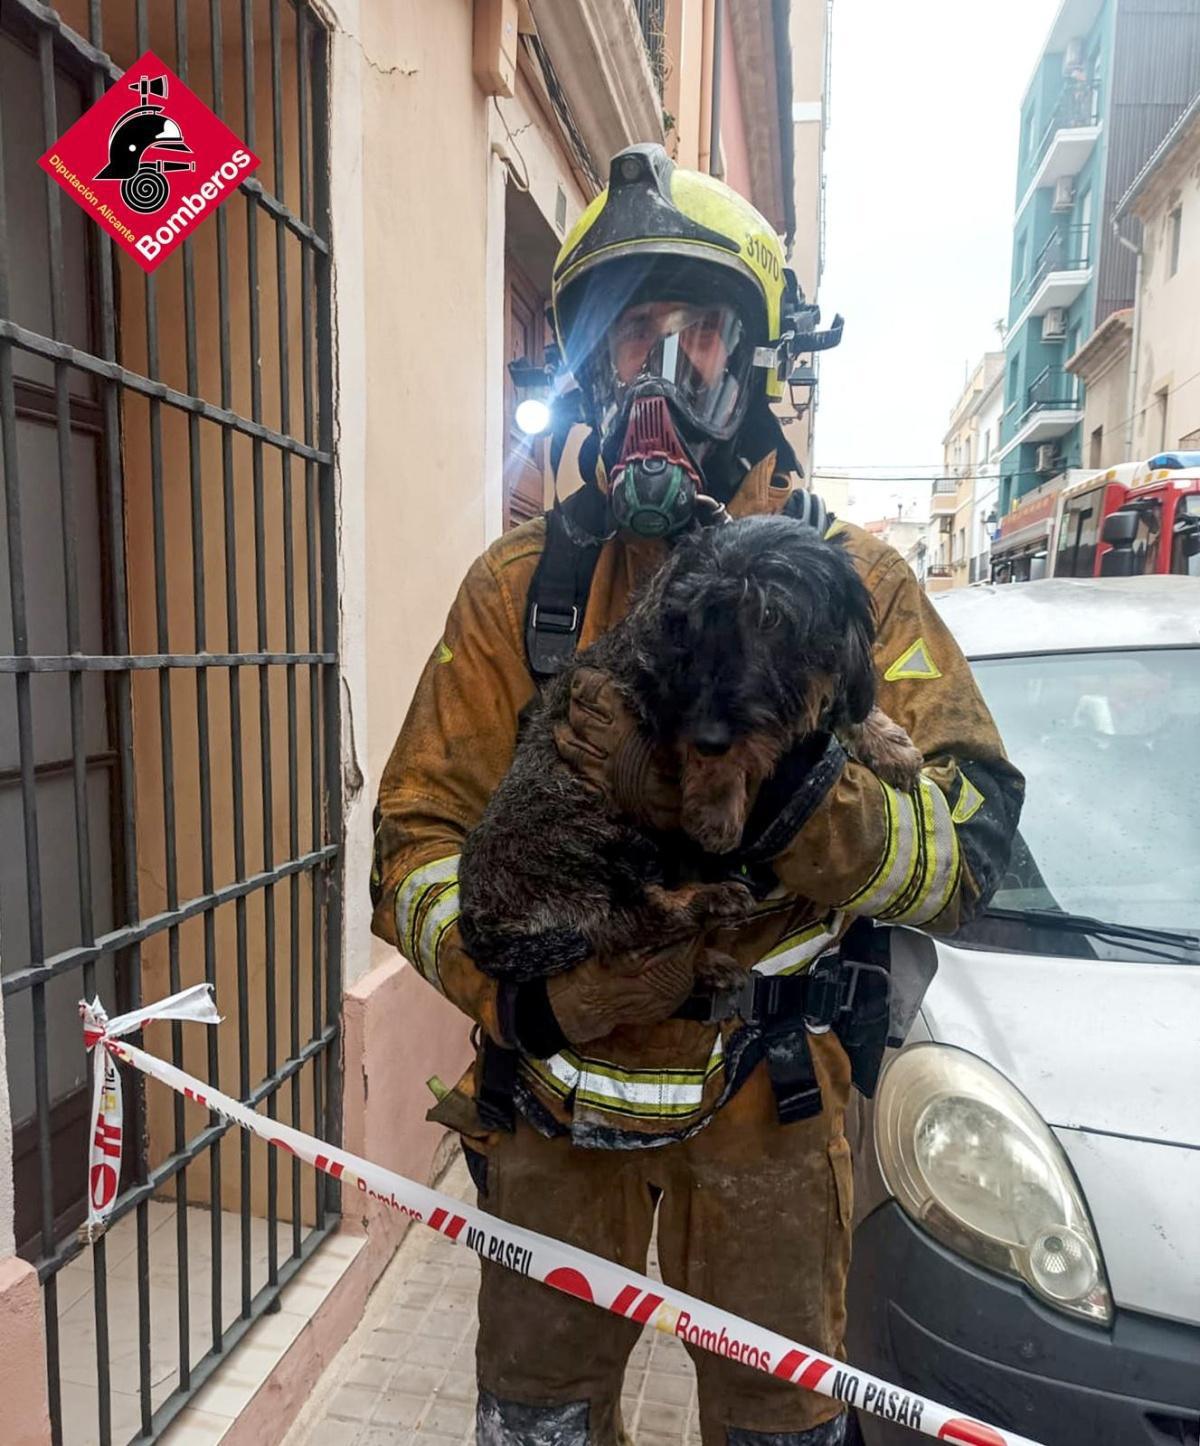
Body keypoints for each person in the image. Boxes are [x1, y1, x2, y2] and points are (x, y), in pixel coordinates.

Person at [371, 144, 1023, 1446]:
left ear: (752, 360)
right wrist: (522, 997)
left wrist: (802, 805)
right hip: (554, 1111)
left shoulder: (854, 585)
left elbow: (968, 851)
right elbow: (413, 846)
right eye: (635, 336)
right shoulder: (518, 590)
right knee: (540, 1424)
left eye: (701, 333)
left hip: (771, 1109)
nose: (664, 371)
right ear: (594, 365)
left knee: (779, 1428)